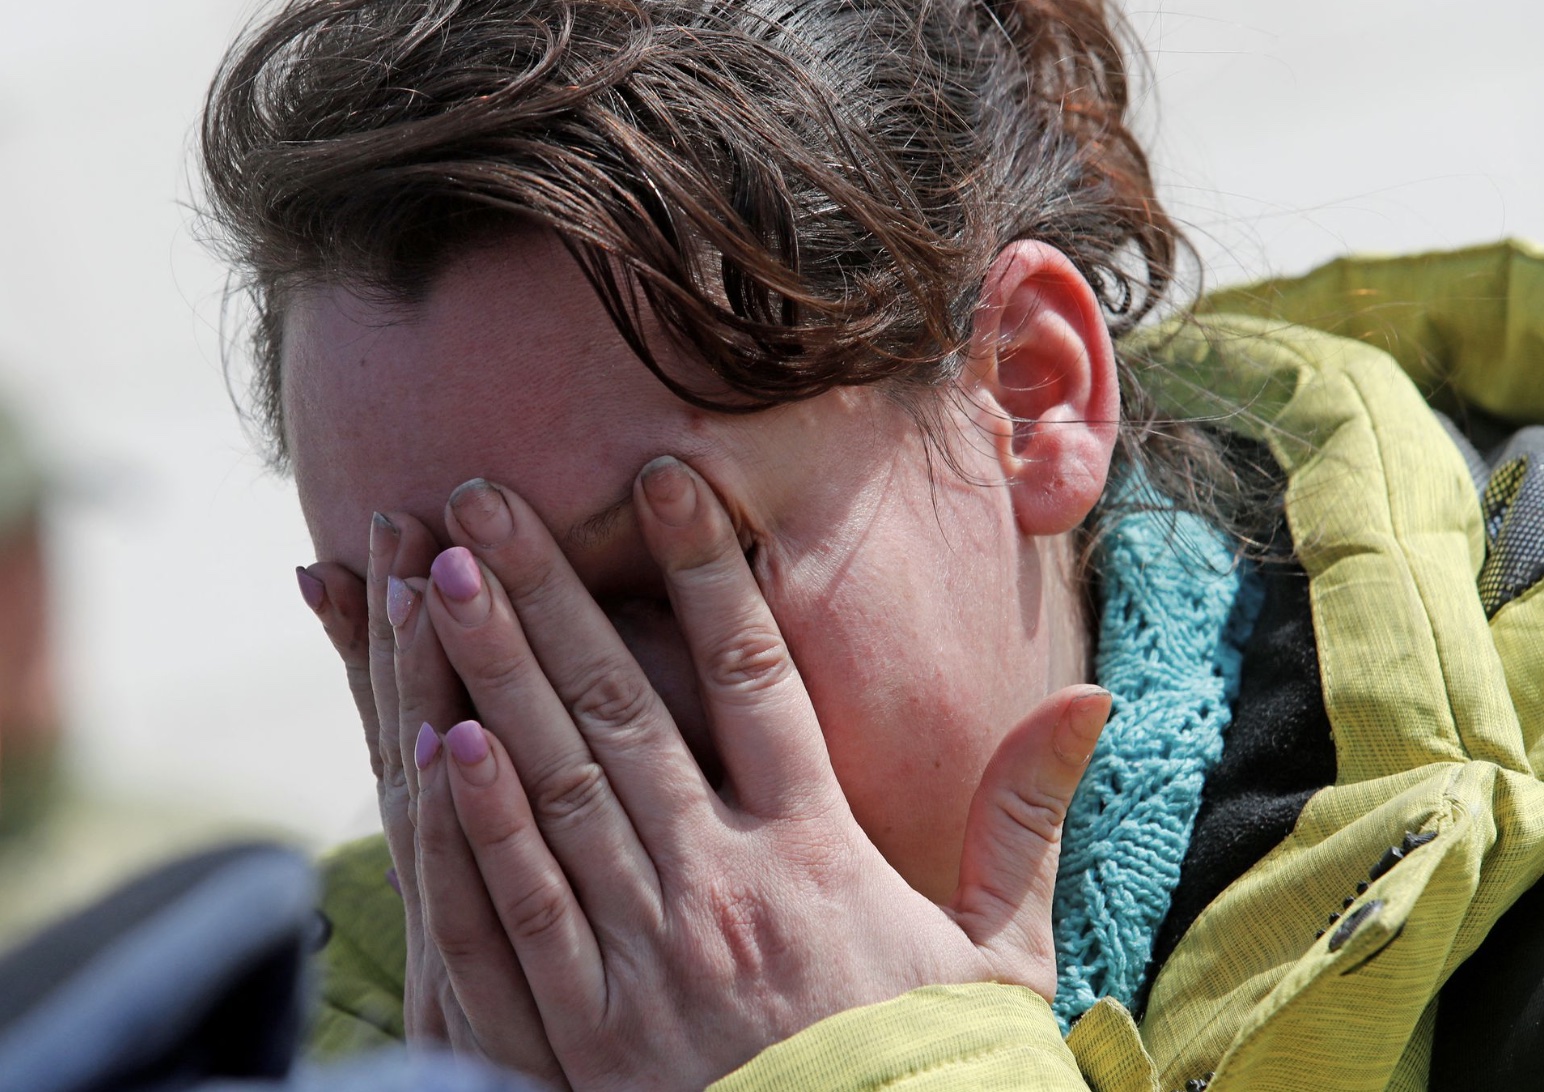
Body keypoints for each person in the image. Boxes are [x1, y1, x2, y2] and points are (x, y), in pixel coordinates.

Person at [196, 0, 1544, 1088]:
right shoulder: (265, 1038)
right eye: (431, 631)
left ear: (1028, 390)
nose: (572, 753)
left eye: (670, 571)